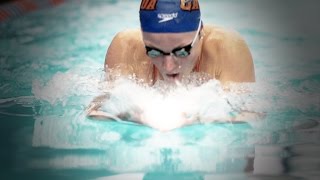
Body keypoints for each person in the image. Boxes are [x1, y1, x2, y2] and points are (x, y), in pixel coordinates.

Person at [86, 0, 256, 130]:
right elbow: (98, 113)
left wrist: (194, 118)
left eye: (182, 52)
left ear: (201, 33)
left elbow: (246, 121)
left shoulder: (228, 49)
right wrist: (134, 115)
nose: (168, 66)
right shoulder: (125, 47)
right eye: (154, 51)